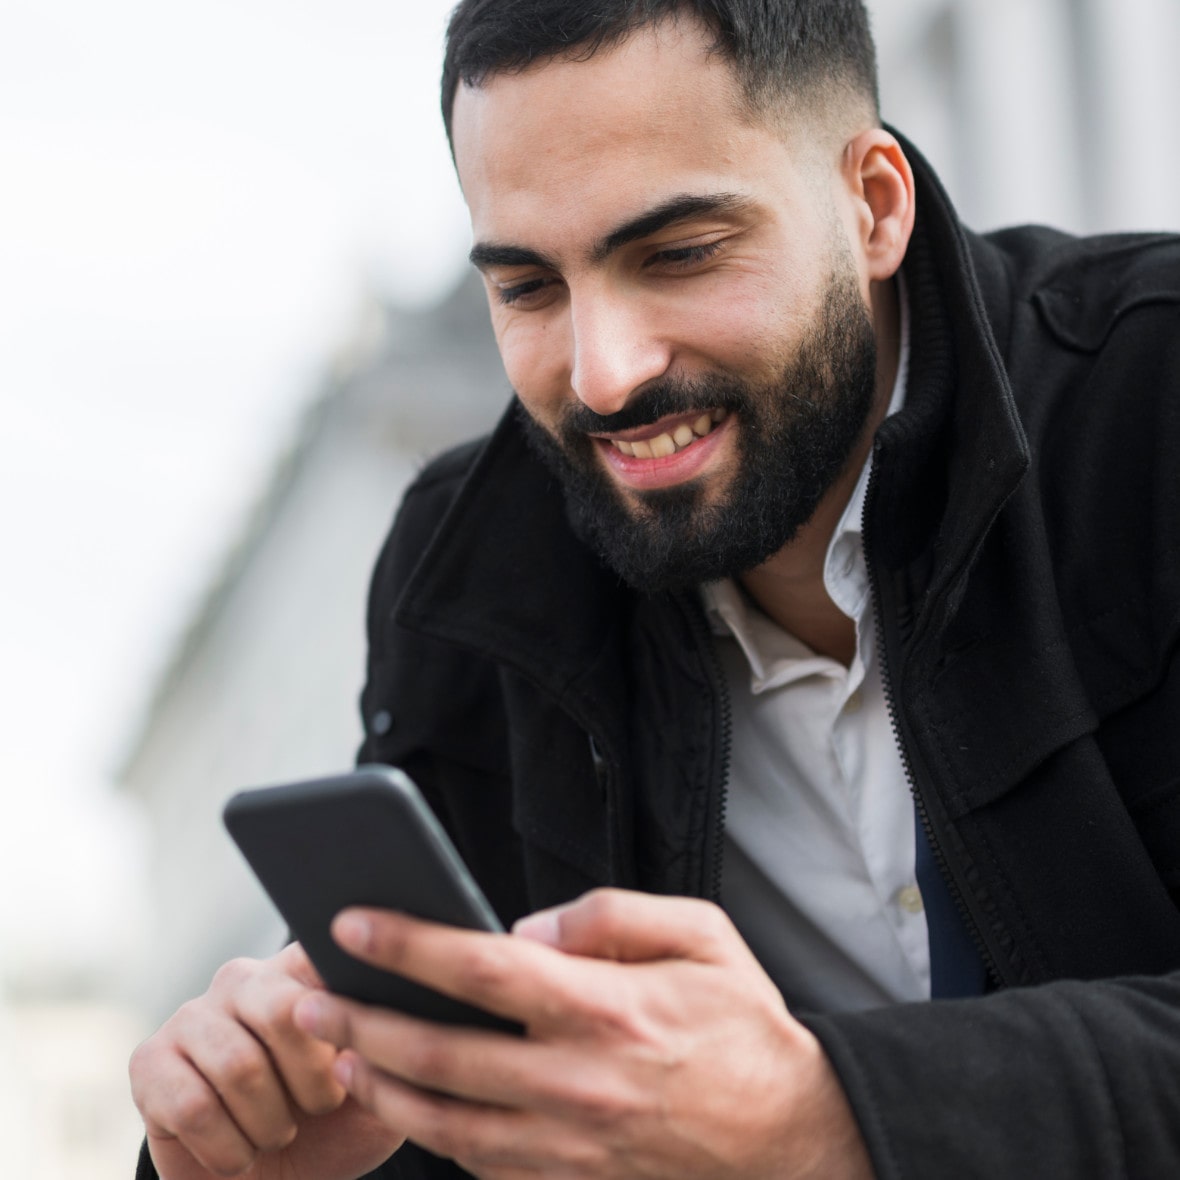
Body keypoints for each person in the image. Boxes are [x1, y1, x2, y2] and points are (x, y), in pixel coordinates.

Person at [129, 1, 1180, 1177]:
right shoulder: (469, 570)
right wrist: (280, 1148)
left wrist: (830, 1113)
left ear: (873, 205)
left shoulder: (1153, 400)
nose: (603, 372)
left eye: (678, 255)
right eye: (528, 287)